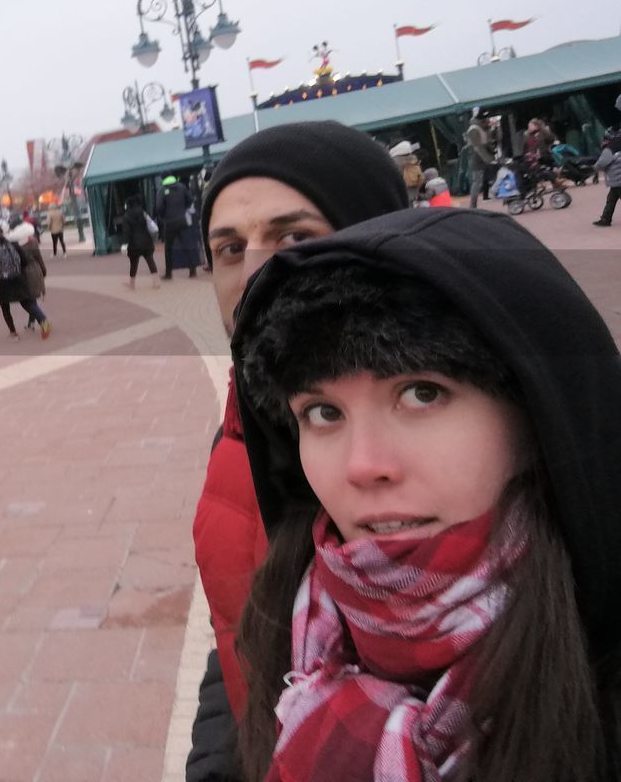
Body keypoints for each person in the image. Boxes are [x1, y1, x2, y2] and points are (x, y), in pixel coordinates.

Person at [230, 207, 621, 781]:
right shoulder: (281, 616)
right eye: (323, 412)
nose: (364, 467)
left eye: (421, 394)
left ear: (536, 410)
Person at [187, 121, 409, 782]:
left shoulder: (459, 423)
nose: (256, 270)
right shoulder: (242, 421)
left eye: (294, 237)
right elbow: (239, 629)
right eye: (229, 247)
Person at [0, 224, 50, 340]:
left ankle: (13, 333)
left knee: (5, 308)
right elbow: (24, 261)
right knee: (27, 303)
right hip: (18, 279)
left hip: (3, 283)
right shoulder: (14, 244)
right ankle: (44, 321)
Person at [155, 174, 198, 279]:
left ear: (163, 178)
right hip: (183, 220)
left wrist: (163, 217)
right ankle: (192, 270)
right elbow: (190, 200)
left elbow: (159, 207)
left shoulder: (162, 190)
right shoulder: (182, 186)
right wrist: (182, 209)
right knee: (187, 245)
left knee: (168, 248)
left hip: (169, 223)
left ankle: (169, 273)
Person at [8, 221, 48, 330]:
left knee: (25, 300)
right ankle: (31, 323)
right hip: (35, 269)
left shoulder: (14, 244)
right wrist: (43, 270)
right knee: (31, 298)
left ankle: (43, 321)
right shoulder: (32, 240)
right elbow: (38, 256)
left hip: (23, 273)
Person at [118, 195, 159, 290]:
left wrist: (125, 244)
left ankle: (132, 284)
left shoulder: (126, 217)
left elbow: (126, 232)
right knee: (150, 260)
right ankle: (156, 282)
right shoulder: (143, 213)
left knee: (133, 264)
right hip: (146, 241)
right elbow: (151, 225)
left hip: (134, 245)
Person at [464, 110, 498, 207]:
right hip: (478, 158)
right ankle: (473, 205)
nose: (488, 120)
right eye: (487, 118)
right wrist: (489, 160)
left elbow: (493, 139)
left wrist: (495, 128)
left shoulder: (484, 128)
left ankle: (488, 195)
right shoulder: (473, 129)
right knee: (477, 182)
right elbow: (478, 147)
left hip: (486, 157)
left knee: (486, 179)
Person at [591, 131, 621, 227]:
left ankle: (606, 219)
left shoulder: (609, 149)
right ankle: (605, 218)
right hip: (617, 180)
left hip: (617, 180)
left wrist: (595, 167)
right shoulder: (617, 146)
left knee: (611, 199)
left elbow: (603, 161)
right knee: (611, 199)